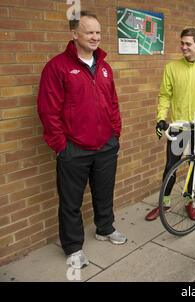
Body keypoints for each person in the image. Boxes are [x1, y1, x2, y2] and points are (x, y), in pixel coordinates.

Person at [37, 11, 126, 269]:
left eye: (98, 32)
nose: (96, 37)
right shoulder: (57, 67)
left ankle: (105, 228)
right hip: (73, 149)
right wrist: (61, 146)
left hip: (106, 145)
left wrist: (115, 134)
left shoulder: (105, 67)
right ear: (74, 34)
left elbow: (113, 103)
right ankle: (73, 247)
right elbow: (48, 110)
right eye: (90, 32)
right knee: (70, 202)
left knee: (104, 192)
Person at [145, 28, 195, 221]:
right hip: (179, 127)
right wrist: (161, 118)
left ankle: (190, 201)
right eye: (182, 43)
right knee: (170, 166)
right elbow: (165, 95)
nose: (184, 47)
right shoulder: (172, 68)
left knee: (194, 166)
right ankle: (165, 202)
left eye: (188, 44)